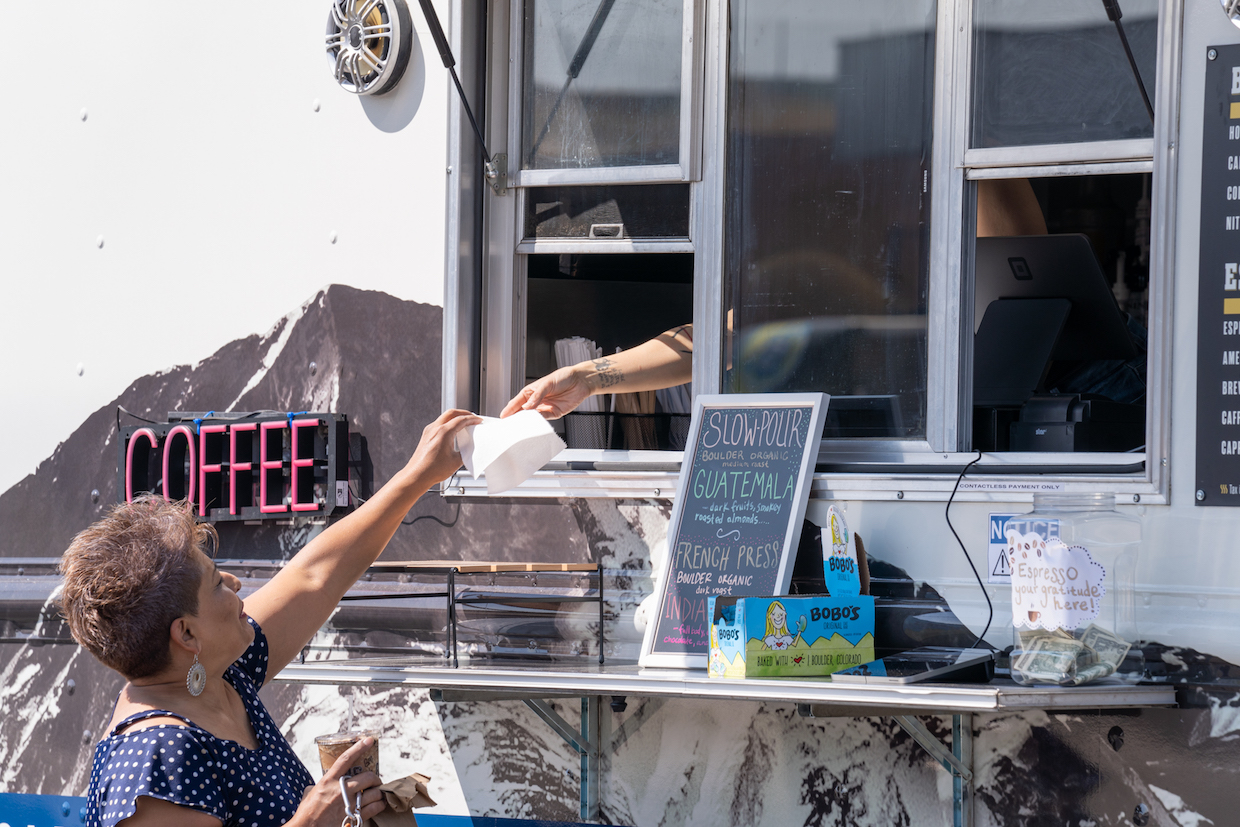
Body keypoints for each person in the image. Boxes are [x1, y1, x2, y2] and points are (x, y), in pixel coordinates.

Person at [60, 409, 481, 827]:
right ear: (187, 633)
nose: (235, 582)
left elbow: (315, 577)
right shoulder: (157, 755)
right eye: (215, 583)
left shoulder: (216, 675)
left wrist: (420, 473)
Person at [502, 179, 1050, 421]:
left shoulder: (963, 224)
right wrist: (591, 377)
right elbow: (713, 343)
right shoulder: (819, 273)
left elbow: (1029, 282)